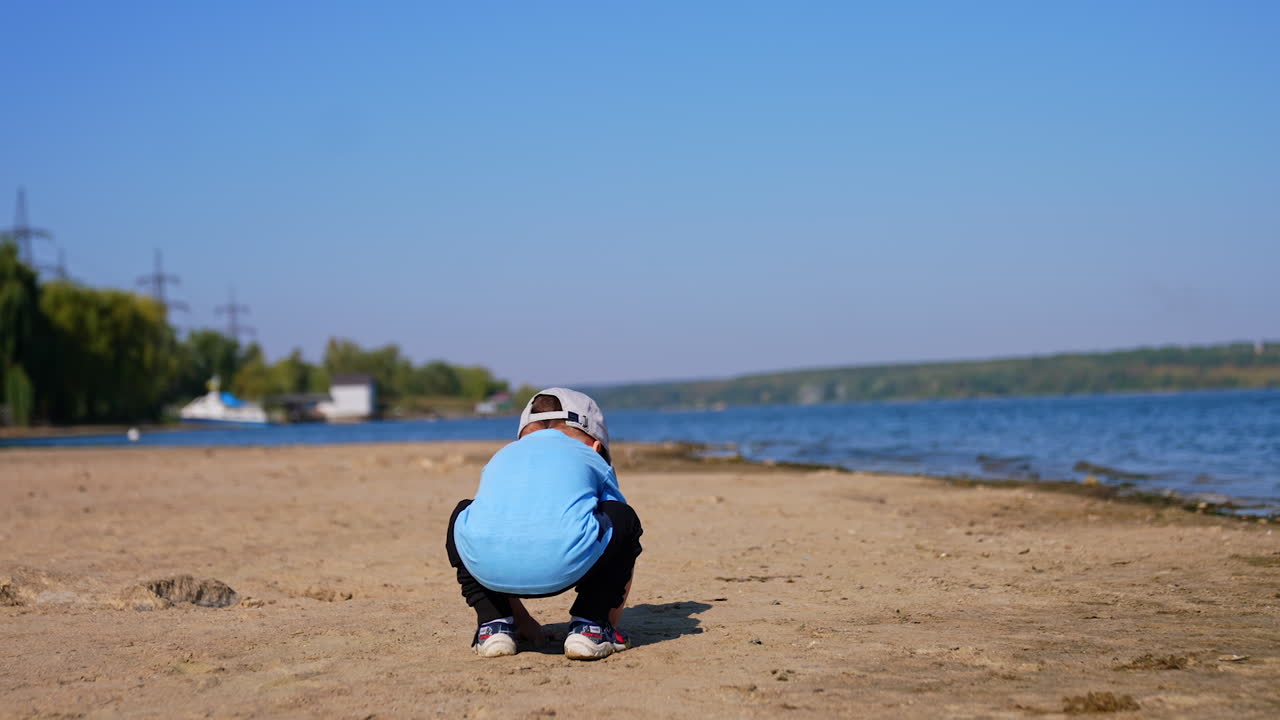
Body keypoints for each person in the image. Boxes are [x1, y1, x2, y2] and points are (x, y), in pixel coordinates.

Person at [445, 388, 643, 660]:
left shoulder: (503, 456)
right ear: (595, 446)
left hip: (490, 570)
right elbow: (617, 534)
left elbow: (492, 523)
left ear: (524, 436)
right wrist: (610, 616)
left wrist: (523, 619)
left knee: (465, 515)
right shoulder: (589, 456)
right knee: (622, 518)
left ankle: (495, 624)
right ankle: (592, 626)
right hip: (564, 565)